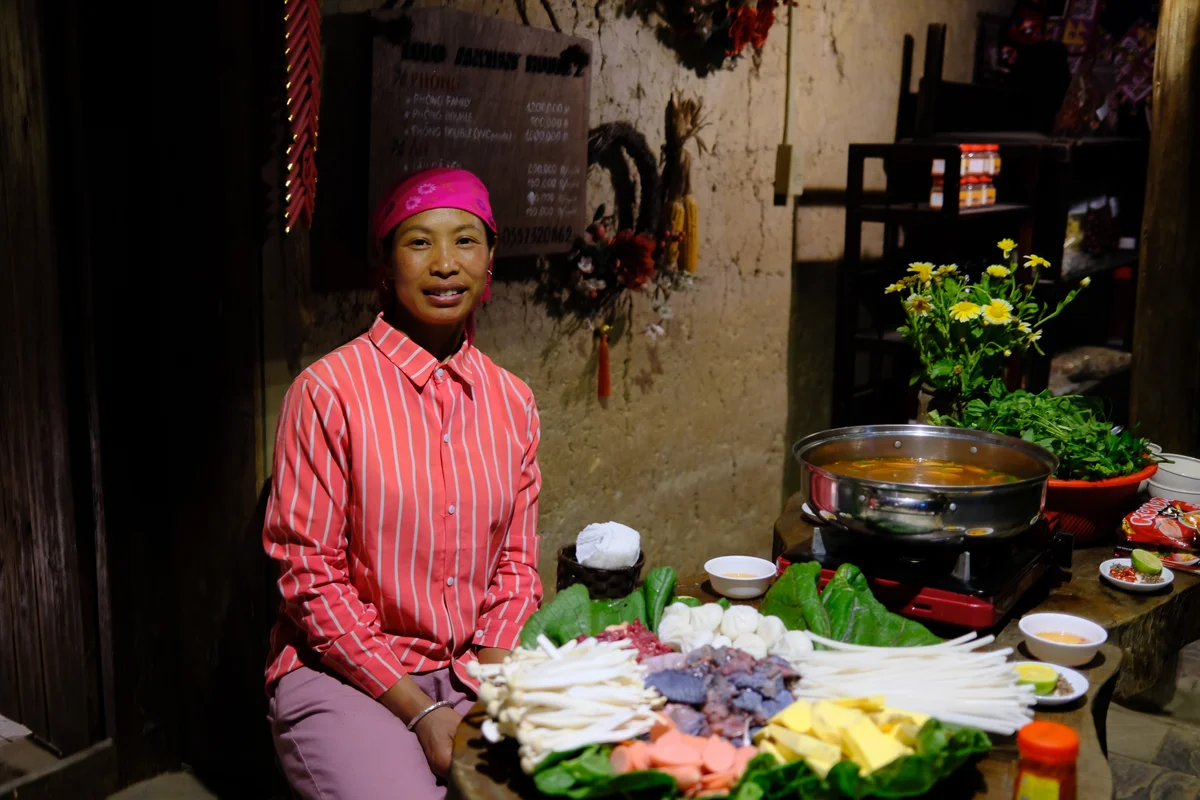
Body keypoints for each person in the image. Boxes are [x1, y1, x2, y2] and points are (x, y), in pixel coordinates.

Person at [262, 168, 544, 799]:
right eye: (419, 242)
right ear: (385, 266)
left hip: (476, 669)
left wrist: (493, 698)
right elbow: (310, 575)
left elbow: (516, 568)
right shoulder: (328, 392)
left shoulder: (512, 401)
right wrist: (419, 710)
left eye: (466, 241)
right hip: (348, 674)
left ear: (491, 258)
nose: (445, 263)